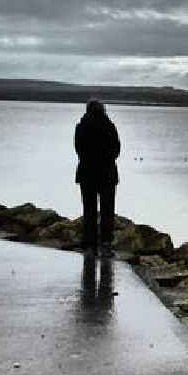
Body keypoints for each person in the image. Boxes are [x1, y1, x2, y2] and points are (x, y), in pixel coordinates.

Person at [75, 99, 120, 257]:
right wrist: (106, 159)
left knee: (89, 210)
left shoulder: (81, 126)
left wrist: (90, 159)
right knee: (107, 210)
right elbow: (116, 149)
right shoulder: (109, 126)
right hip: (107, 174)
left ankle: (90, 244)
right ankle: (106, 244)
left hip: (87, 174)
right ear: (103, 110)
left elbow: (79, 149)